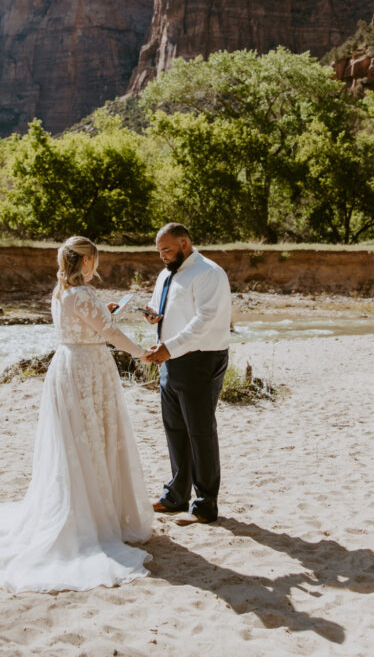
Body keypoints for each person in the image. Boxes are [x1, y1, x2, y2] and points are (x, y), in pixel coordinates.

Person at [0, 236, 153, 593]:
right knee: (94, 437)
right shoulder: (83, 295)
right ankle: (94, 521)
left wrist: (108, 310)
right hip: (88, 368)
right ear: (86, 261)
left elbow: (89, 323)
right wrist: (140, 352)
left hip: (69, 366)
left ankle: (89, 510)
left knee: (76, 441)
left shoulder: (61, 294)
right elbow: (108, 332)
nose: (96, 265)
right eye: (94, 259)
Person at [142, 222, 231, 524]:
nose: (162, 256)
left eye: (166, 250)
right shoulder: (166, 274)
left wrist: (170, 346)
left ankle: (206, 505)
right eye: (159, 252)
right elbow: (161, 309)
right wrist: (153, 315)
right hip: (171, 361)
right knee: (175, 430)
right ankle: (177, 496)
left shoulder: (209, 273)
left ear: (184, 243)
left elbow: (204, 320)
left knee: (200, 433)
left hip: (201, 361)